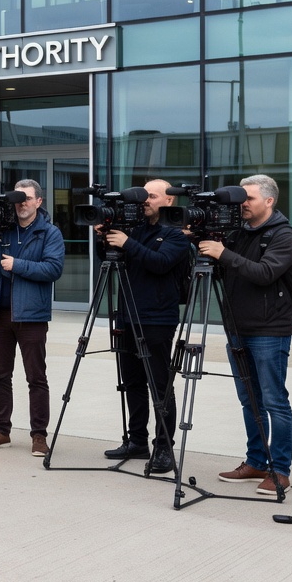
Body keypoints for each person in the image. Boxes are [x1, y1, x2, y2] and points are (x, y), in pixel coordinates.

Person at [198, 174, 292, 497]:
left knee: (274, 401)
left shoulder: (285, 236)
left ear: (269, 201)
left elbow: (265, 273)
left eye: (249, 198)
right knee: (249, 401)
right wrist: (199, 241)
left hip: (269, 330)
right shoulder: (238, 233)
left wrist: (223, 253)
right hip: (237, 329)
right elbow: (223, 269)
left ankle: (280, 470)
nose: (242, 203)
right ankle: (256, 461)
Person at [96, 179, 188, 473]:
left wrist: (127, 242)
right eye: (143, 196)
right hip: (127, 315)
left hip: (157, 319)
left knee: (159, 386)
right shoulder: (134, 228)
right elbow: (110, 259)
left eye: (152, 196)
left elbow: (160, 263)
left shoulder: (177, 233)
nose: (145, 200)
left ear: (169, 200)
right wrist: (104, 239)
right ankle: (137, 441)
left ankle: (164, 448)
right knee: (132, 383)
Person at [0, 179, 65, 457]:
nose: (21, 203)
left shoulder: (49, 232)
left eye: (27, 198)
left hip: (32, 315)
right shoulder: (1, 230)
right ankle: (1, 431)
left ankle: (39, 436)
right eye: (17, 198)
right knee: (0, 376)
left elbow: (53, 269)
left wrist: (17, 265)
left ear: (39, 201)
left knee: (36, 378)